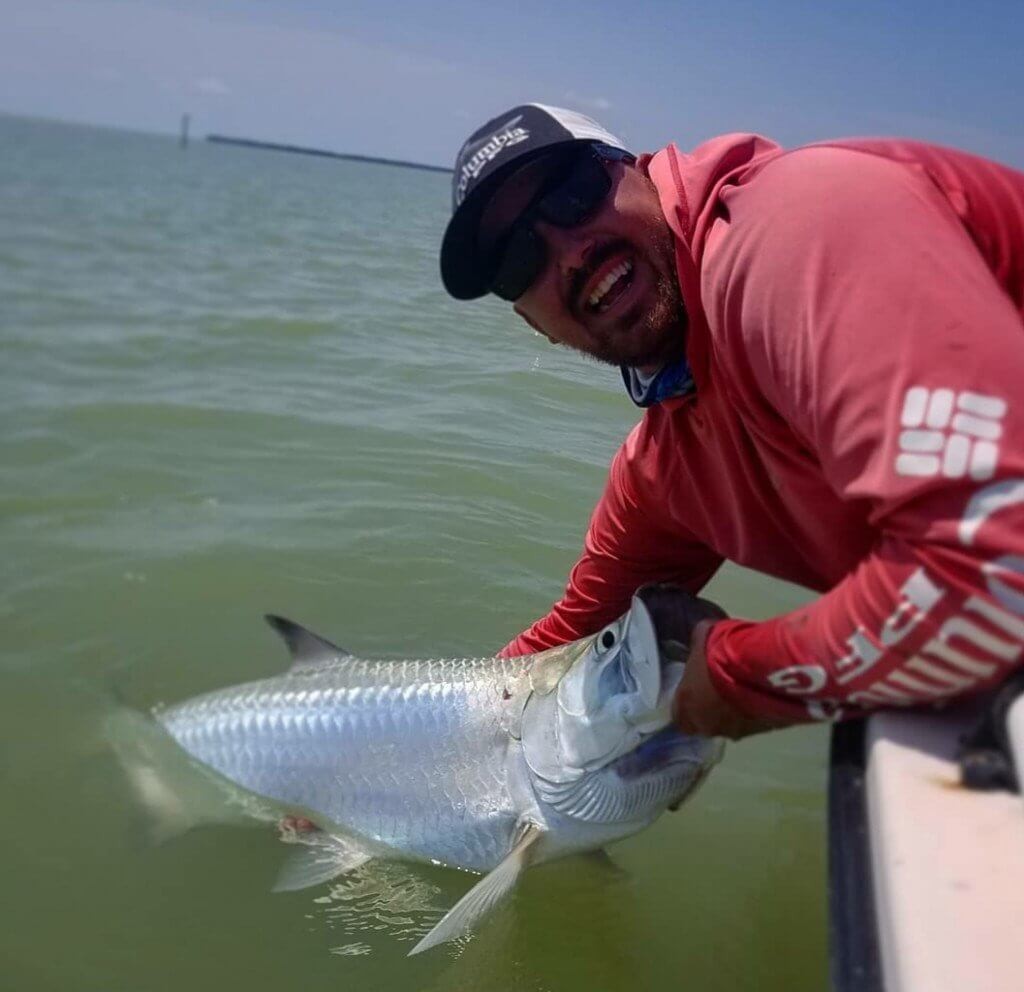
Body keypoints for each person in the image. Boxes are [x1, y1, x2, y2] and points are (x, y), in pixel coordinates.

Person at [439, 104, 1024, 738]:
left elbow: (997, 566)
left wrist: (736, 678)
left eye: (574, 194)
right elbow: (566, 645)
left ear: (639, 171)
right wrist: (383, 760)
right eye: (518, 261)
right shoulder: (671, 467)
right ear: (534, 325)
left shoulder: (797, 229)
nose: (570, 254)